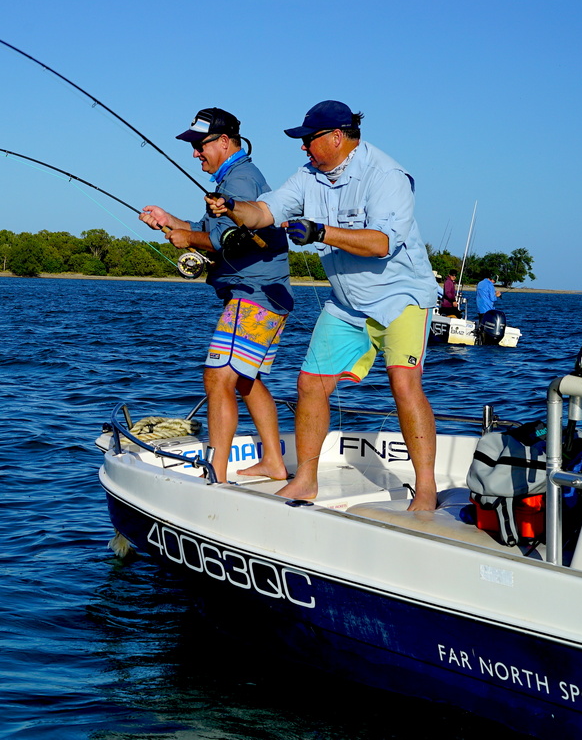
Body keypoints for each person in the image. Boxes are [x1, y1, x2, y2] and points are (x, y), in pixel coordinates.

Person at [208, 100, 439, 510]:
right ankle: (306, 482)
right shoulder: (309, 175)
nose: (302, 148)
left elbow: (382, 243)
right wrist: (233, 209)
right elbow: (265, 210)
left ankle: (424, 492)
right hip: (347, 302)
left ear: (336, 137)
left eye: (308, 140)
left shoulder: (387, 176)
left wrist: (320, 231)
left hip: (402, 298)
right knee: (310, 384)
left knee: (403, 383)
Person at [138, 107, 293, 484]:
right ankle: (273, 461)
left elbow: (225, 241)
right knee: (243, 379)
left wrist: (187, 238)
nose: (194, 154)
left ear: (224, 142)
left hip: (253, 293)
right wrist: (171, 222)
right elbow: (215, 231)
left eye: (199, 145)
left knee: (217, 379)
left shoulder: (238, 181)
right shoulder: (236, 178)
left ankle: (217, 476)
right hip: (263, 294)